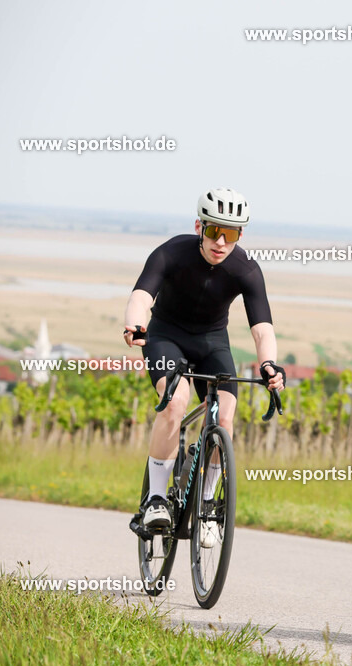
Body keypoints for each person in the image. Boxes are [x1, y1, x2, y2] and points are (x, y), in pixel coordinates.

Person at [123, 188, 284, 545]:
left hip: (212, 341)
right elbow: (141, 296)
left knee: (225, 414)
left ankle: (208, 504)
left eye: (232, 234)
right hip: (166, 337)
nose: (221, 241)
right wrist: (135, 324)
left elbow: (262, 328)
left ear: (240, 235)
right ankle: (156, 499)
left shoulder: (246, 268)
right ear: (199, 226)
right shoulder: (172, 252)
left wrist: (270, 363)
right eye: (214, 231)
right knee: (175, 402)